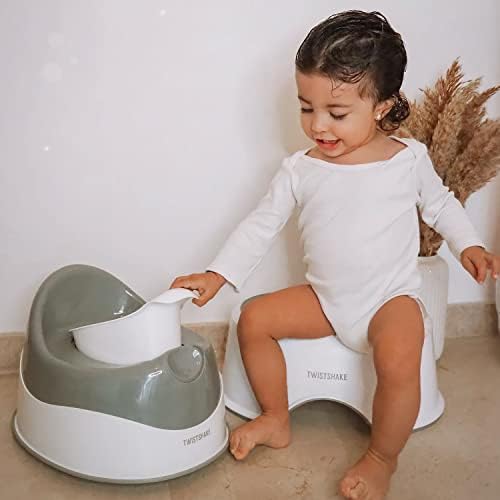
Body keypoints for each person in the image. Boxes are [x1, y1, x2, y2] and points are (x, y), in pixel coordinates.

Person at [170, 10, 500, 499]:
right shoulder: (301, 169)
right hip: (326, 299)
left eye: (337, 113)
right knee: (253, 319)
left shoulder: (407, 159)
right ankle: (275, 417)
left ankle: (382, 457)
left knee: (401, 356)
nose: (318, 125)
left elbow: (442, 205)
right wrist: (218, 274)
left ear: (383, 107)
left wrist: (468, 244)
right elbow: (261, 224)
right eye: (307, 108)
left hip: (390, 298)